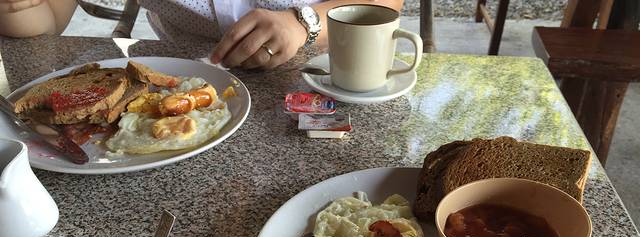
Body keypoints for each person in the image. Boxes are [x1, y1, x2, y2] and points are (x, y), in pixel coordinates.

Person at [0, 0, 404, 69]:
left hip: (319, 75)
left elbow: (385, 2)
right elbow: (46, 22)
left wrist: (304, 22)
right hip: (174, 81)